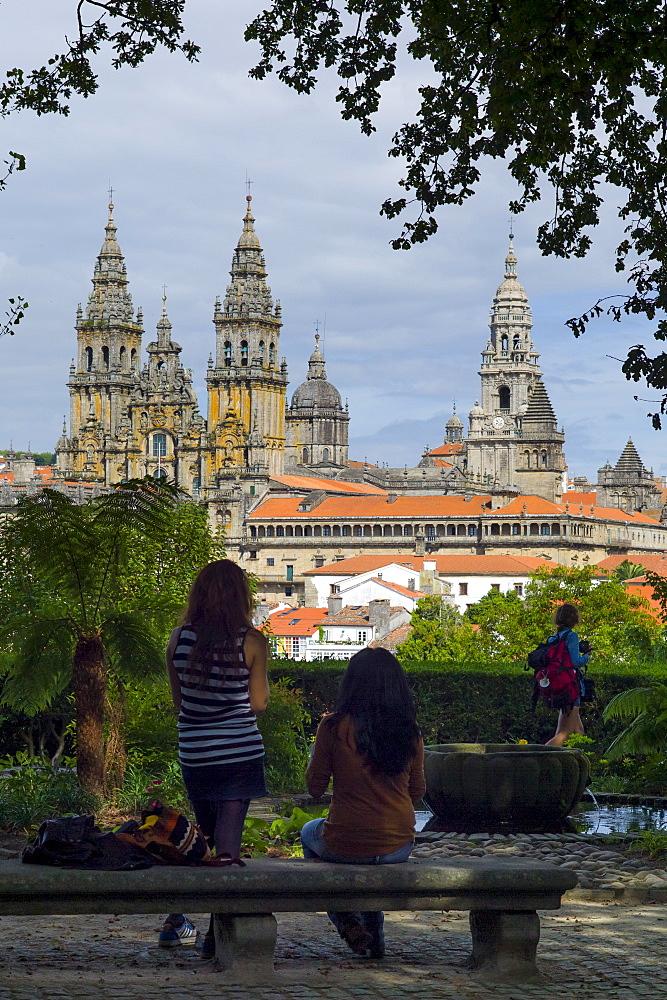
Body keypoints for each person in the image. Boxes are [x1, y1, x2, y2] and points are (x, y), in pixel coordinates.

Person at [159, 559, 270, 951]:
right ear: (241, 596)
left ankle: (206, 930)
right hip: (238, 754)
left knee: (205, 844)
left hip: (196, 754)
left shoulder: (178, 638)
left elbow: (179, 702)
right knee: (227, 849)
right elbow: (258, 703)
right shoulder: (251, 640)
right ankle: (217, 939)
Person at [300, 647, 425, 959]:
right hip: (397, 844)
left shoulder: (332, 727)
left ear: (351, 684)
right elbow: (417, 792)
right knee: (369, 850)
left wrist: (318, 757)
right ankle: (375, 930)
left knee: (307, 833)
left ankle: (347, 920)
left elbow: (315, 789)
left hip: (345, 840)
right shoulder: (410, 731)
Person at [544, 602, 590, 747]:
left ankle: (576, 761)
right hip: (570, 688)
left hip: (559, 686)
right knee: (564, 734)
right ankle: (537, 757)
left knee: (578, 731)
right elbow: (575, 661)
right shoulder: (571, 636)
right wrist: (587, 656)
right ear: (575, 620)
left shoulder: (554, 638)